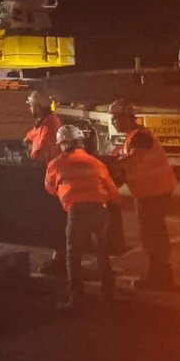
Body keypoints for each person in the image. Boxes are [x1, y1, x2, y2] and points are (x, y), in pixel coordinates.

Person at [45, 124, 120, 309]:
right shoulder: (95, 162)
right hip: (99, 211)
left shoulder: (56, 164)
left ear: (62, 144)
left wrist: (65, 194)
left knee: (73, 255)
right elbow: (112, 191)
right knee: (102, 252)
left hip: (77, 213)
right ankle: (108, 293)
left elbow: (49, 187)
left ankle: (77, 297)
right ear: (80, 142)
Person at [109, 98, 177, 289]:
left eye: (115, 118)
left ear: (126, 118)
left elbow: (133, 160)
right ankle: (159, 275)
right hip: (149, 192)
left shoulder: (140, 137)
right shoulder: (133, 137)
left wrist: (110, 165)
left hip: (155, 192)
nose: (113, 122)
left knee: (152, 234)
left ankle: (160, 277)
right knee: (151, 233)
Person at [23, 89, 64, 275]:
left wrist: (31, 155)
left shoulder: (50, 124)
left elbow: (43, 151)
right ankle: (60, 257)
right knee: (54, 220)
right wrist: (26, 140)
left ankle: (61, 259)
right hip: (50, 177)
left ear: (38, 107)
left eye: (31, 105)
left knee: (56, 220)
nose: (29, 109)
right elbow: (32, 135)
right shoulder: (43, 123)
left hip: (54, 179)